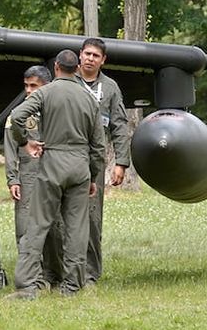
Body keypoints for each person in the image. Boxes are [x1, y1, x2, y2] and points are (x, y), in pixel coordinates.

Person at [6, 50, 105, 299]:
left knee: (37, 226)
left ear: (57, 67)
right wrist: (93, 177)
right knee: (77, 230)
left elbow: (17, 116)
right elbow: (99, 147)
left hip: (52, 164)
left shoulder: (45, 92)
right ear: (77, 68)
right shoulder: (89, 98)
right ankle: (72, 287)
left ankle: (28, 286)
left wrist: (26, 141)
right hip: (80, 165)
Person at [75, 37, 131, 285]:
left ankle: (90, 274)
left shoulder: (110, 87)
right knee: (60, 216)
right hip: (64, 157)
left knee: (92, 217)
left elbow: (119, 125)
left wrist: (121, 162)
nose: (90, 59)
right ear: (80, 55)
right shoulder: (66, 81)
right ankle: (62, 271)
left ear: (103, 60)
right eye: (87, 54)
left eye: (95, 56)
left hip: (94, 161)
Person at [5, 65, 52, 246]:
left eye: (34, 86)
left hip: (54, 172)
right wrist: (13, 179)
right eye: (26, 86)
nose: (28, 90)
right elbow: (10, 148)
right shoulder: (18, 115)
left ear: (46, 86)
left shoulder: (56, 111)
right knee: (24, 221)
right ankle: (27, 263)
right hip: (28, 175)